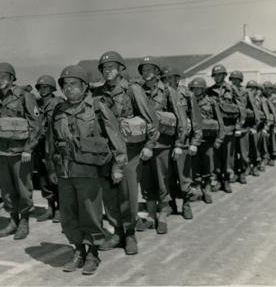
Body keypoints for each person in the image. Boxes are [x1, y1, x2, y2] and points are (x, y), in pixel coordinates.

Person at [45, 65, 127, 275]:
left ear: (84, 86)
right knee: (69, 215)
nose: (69, 88)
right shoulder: (58, 109)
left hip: (89, 171)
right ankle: (78, 251)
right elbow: (51, 142)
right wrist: (51, 168)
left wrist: (118, 166)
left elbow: (115, 137)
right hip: (65, 172)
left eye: (74, 84)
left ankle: (92, 253)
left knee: (90, 214)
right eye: (65, 84)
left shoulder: (97, 107)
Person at [92, 51, 159, 255]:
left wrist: (149, 145)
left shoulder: (132, 90)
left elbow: (151, 120)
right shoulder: (97, 94)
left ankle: (130, 234)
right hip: (107, 151)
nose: (108, 71)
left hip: (131, 151)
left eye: (112, 67)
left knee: (128, 193)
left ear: (121, 69)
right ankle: (117, 232)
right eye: (104, 68)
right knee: (110, 193)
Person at [0, 62, 42, 240]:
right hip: (2, 152)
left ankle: (24, 223)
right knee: (7, 191)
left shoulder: (25, 97)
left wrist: (28, 149)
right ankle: (13, 221)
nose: (0, 80)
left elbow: (36, 125)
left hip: (20, 153)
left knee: (24, 190)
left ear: (11, 78)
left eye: (3, 77)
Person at [137, 56, 187, 234]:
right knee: (147, 183)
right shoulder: (137, 91)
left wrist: (179, 143)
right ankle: (151, 217)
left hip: (162, 145)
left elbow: (181, 118)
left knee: (162, 183)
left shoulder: (168, 92)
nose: (146, 73)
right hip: (142, 145)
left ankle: (163, 217)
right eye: (144, 70)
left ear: (157, 72)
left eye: (150, 69)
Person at [161, 65, 203, 219]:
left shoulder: (187, 94)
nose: (167, 81)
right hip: (167, 141)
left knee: (184, 175)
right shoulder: (161, 95)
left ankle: (186, 204)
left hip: (184, 141)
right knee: (169, 176)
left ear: (177, 79)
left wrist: (194, 142)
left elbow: (195, 119)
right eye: (164, 79)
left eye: (170, 78)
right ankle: (171, 204)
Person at [206, 65, 246, 193]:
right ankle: (217, 179)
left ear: (224, 75)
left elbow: (241, 109)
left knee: (229, 155)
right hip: (216, 129)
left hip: (229, 127)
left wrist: (239, 126)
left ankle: (227, 180)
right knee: (217, 155)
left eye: (219, 74)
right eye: (215, 75)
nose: (217, 77)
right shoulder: (209, 91)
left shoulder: (232, 89)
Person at [188, 77, 225, 204]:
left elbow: (220, 121)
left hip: (208, 140)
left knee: (209, 165)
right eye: (193, 88)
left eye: (198, 88)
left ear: (204, 89)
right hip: (193, 140)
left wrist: (219, 139)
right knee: (195, 165)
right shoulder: (189, 102)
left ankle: (207, 188)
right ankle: (198, 189)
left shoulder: (211, 102)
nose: (196, 90)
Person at [34, 75, 64, 223]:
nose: (42, 90)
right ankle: (50, 207)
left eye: (45, 87)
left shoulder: (59, 103)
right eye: (39, 87)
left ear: (52, 88)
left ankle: (60, 209)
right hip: (39, 146)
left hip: (54, 147)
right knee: (43, 178)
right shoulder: (36, 104)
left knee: (56, 177)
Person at [229, 71, 260, 184]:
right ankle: (235, 173)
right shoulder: (228, 91)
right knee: (232, 152)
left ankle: (242, 172)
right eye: (232, 79)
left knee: (243, 152)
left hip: (243, 127)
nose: (234, 81)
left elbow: (255, 110)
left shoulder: (246, 92)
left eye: (237, 79)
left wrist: (254, 125)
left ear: (241, 80)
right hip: (231, 127)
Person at [245, 81, 273, 170]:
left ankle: (257, 164)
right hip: (247, 126)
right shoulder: (244, 98)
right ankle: (248, 165)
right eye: (249, 88)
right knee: (247, 147)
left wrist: (266, 127)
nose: (252, 90)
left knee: (257, 146)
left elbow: (267, 114)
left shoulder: (260, 100)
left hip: (258, 126)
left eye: (254, 88)